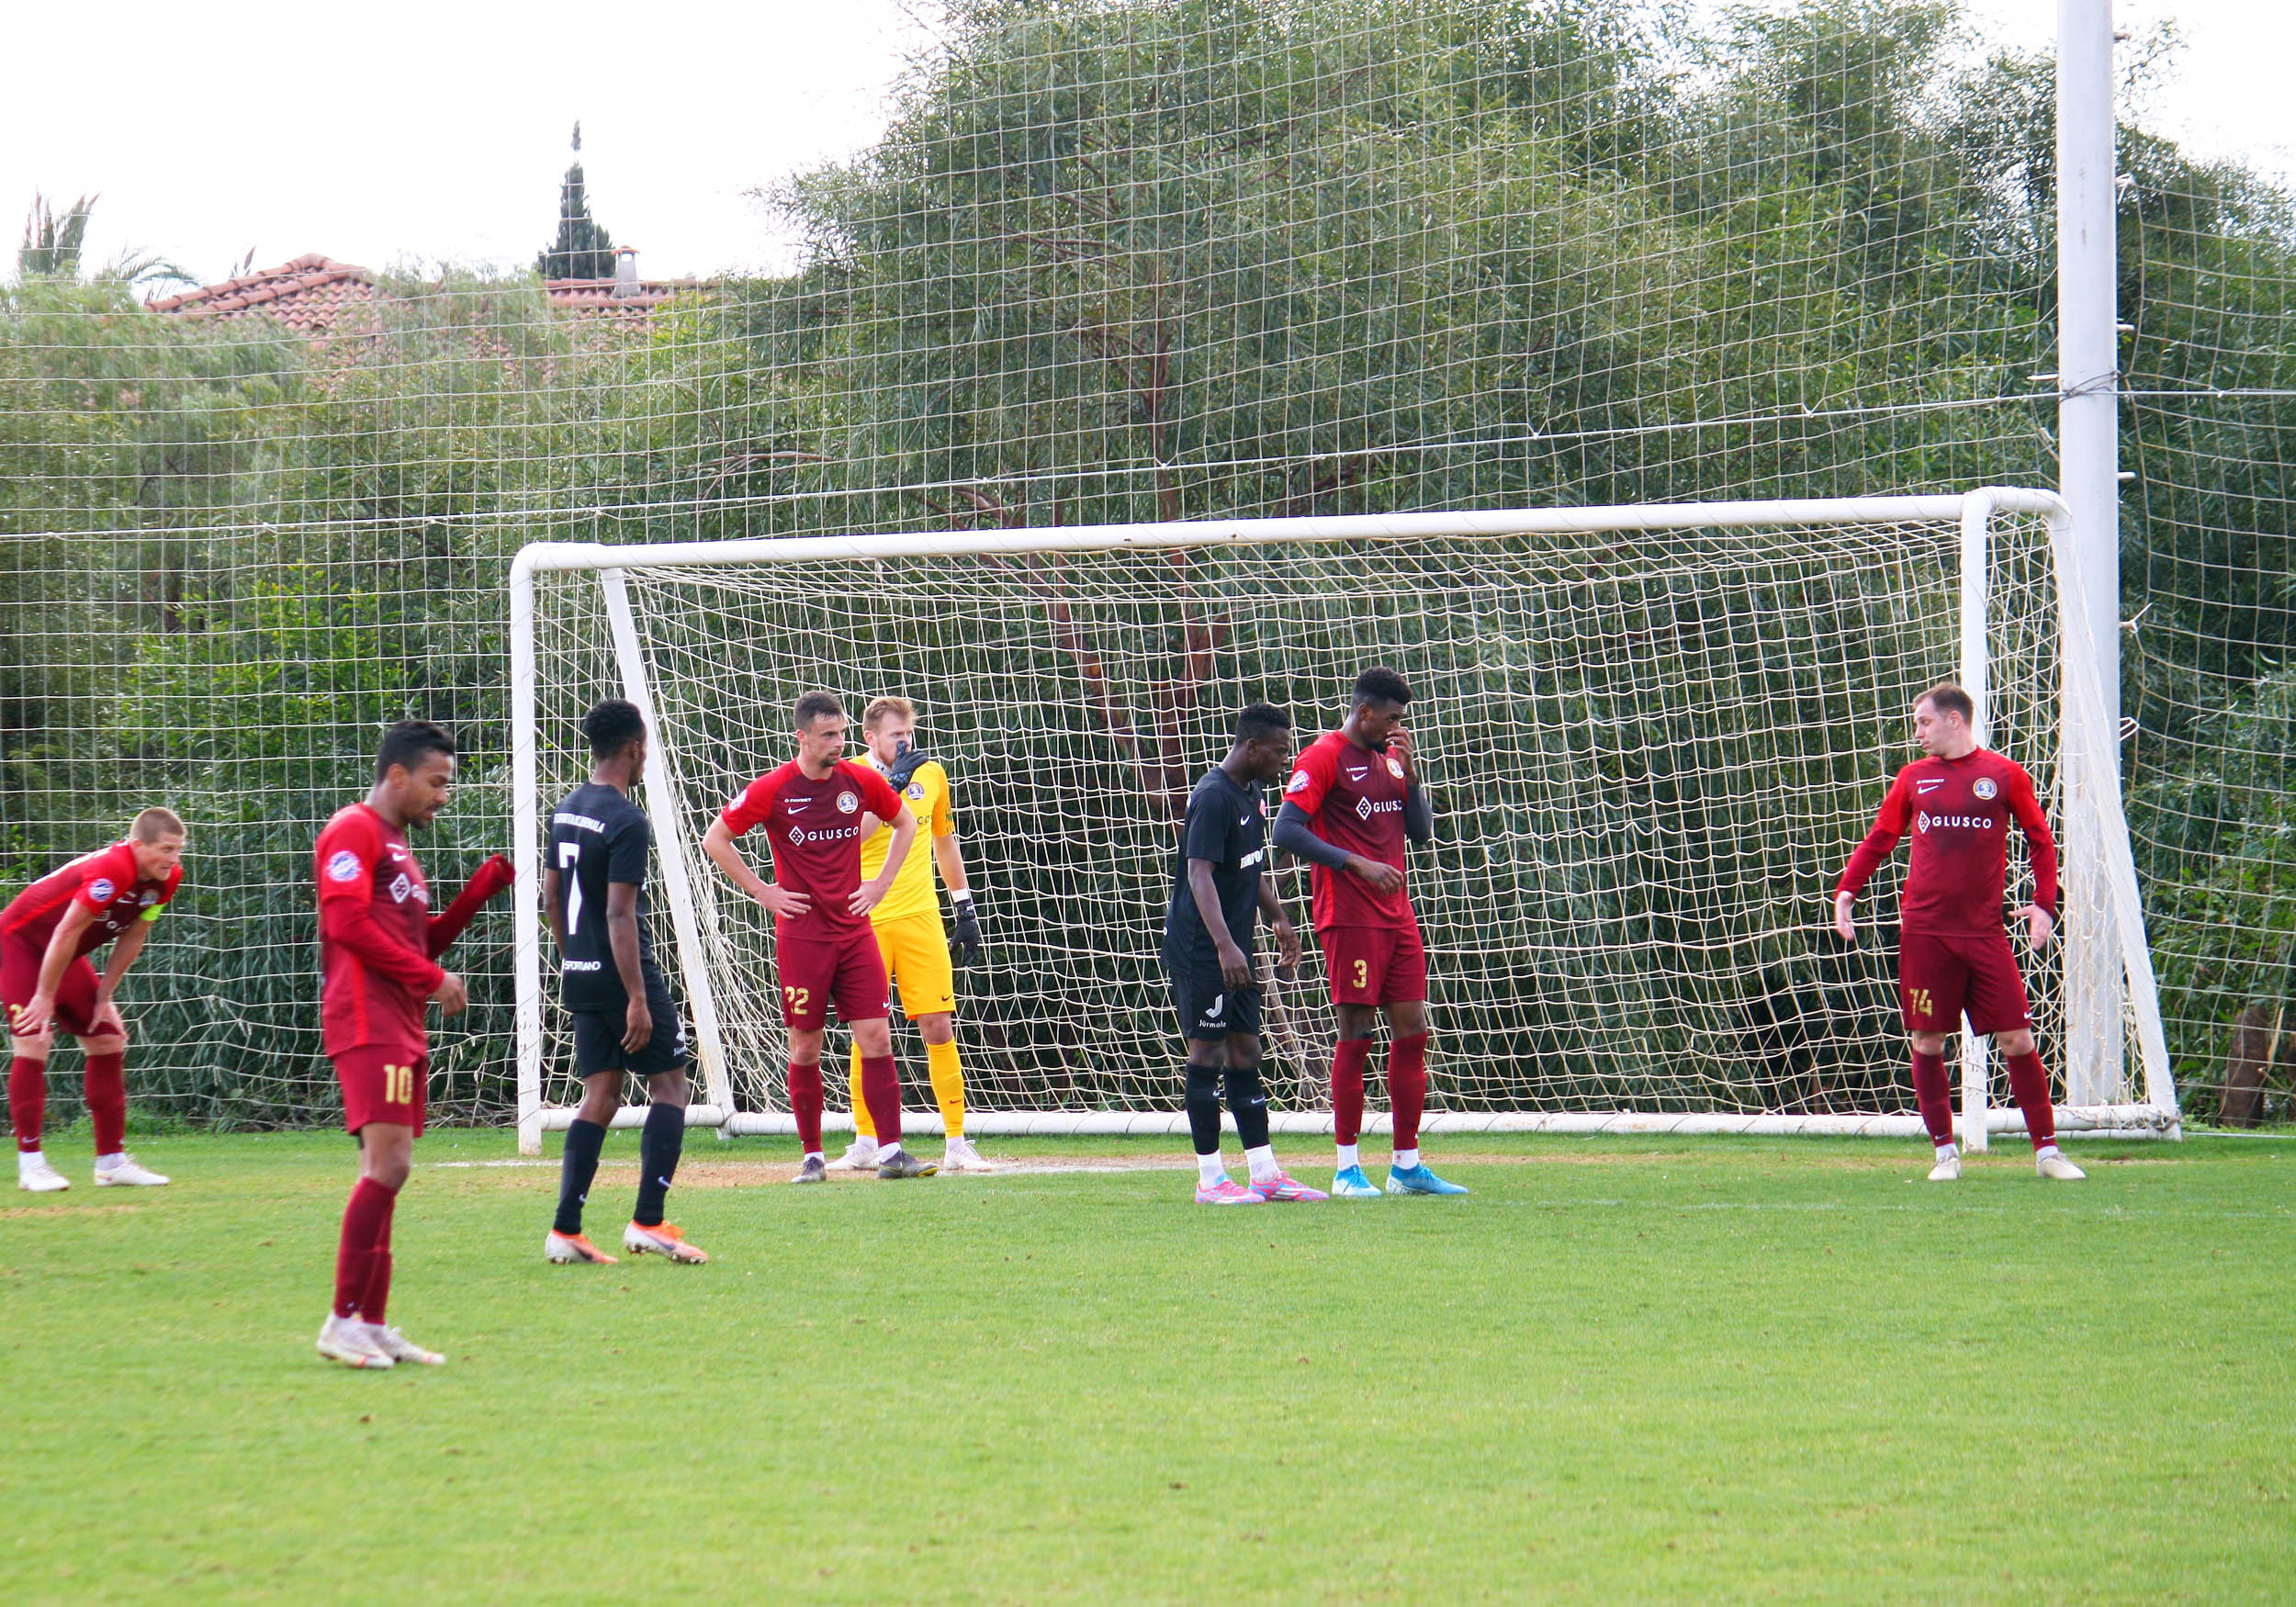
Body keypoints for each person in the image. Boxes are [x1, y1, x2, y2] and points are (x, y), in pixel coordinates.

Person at [312, 721, 515, 1369]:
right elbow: (344, 923)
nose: (443, 796)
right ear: (396, 776)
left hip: (399, 1020)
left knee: (390, 1172)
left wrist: (473, 899)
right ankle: (342, 1321)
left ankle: (371, 1323)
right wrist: (431, 979)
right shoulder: (353, 830)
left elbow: (414, 948)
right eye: (436, 783)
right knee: (388, 1168)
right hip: (366, 1019)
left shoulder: (397, 844)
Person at [1835, 682, 2084, 1181]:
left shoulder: (2003, 775)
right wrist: (1847, 892)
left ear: (1954, 720)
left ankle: (2048, 1153)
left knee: (2018, 1038)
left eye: (1923, 722)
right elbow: (1882, 837)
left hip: (1985, 934)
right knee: (1928, 1041)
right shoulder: (1913, 778)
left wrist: (2044, 906)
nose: (1917, 733)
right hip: (1926, 935)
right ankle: (1945, 1154)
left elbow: (2040, 840)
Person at [702, 691, 932, 1183]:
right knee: (805, 1045)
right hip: (803, 937)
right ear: (802, 737)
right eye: (829, 735)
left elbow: (905, 821)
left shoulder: (859, 780)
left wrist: (881, 884)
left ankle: (892, 1152)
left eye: (842, 732)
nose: (838, 742)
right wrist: (764, 892)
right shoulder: (773, 788)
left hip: (854, 933)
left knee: (876, 1036)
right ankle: (812, 1156)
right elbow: (715, 839)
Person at [1270, 666, 1467, 1197]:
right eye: (1392, 718)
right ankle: (1346, 1168)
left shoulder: (1391, 764)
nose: (1397, 727)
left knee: (1413, 1031)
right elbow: (1285, 829)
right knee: (1356, 1034)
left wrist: (1415, 777)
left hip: (1398, 916)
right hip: (1349, 915)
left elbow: (1421, 834)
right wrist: (1356, 864)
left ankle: (1406, 1166)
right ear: (1364, 712)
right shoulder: (1323, 756)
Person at [542, 699, 708, 1266]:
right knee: (670, 1087)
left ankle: (566, 1229)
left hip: (580, 972)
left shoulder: (565, 809)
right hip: (622, 973)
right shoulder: (626, 820)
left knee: (601, 1095)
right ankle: (650, 1221)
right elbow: (619, 915)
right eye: (646, 749)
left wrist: (575, 960)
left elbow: (551, 900)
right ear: (635, 748)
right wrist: (637, 997)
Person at [1164, 703, 1324, 1204]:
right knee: (1206, 1053)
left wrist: (1277, 917)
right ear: (1251, 747)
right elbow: (1200, 874)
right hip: (1203, 948)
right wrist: (1226, 945)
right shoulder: (1212, 796)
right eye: (1279, 750)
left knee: (1247, 1050)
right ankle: (1210, 1179)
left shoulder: (1251, 793)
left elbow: (1250, 865)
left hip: (1235, 946)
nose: (1286, 759)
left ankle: (1264, 1172)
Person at [829, 695, 994, 1174]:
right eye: (895, 734)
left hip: (923, 917)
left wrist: (964, 906)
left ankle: (957, 1142)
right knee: (868, 1031)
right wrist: (890, 789)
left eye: (908, 732)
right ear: (870, 738)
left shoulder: (931, 774)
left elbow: (944, 841)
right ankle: (865, 1141)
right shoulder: (849, 778)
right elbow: (848, 839)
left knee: (939, 1025)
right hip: (867, 919)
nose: (904, 741)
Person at [4, 808, 187, 1191]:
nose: (174, 860)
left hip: (60, 951)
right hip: (17, 944)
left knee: (106, 1037)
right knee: (35, 1037)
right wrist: (43, 997)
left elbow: (135, 934)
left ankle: (111, 1163)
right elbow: (68, 930)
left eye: (179, 850)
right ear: (137, 845)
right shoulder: (112, 870)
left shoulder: (165, 880)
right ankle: (31, 1164)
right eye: (166, 850)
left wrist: (105, 996)